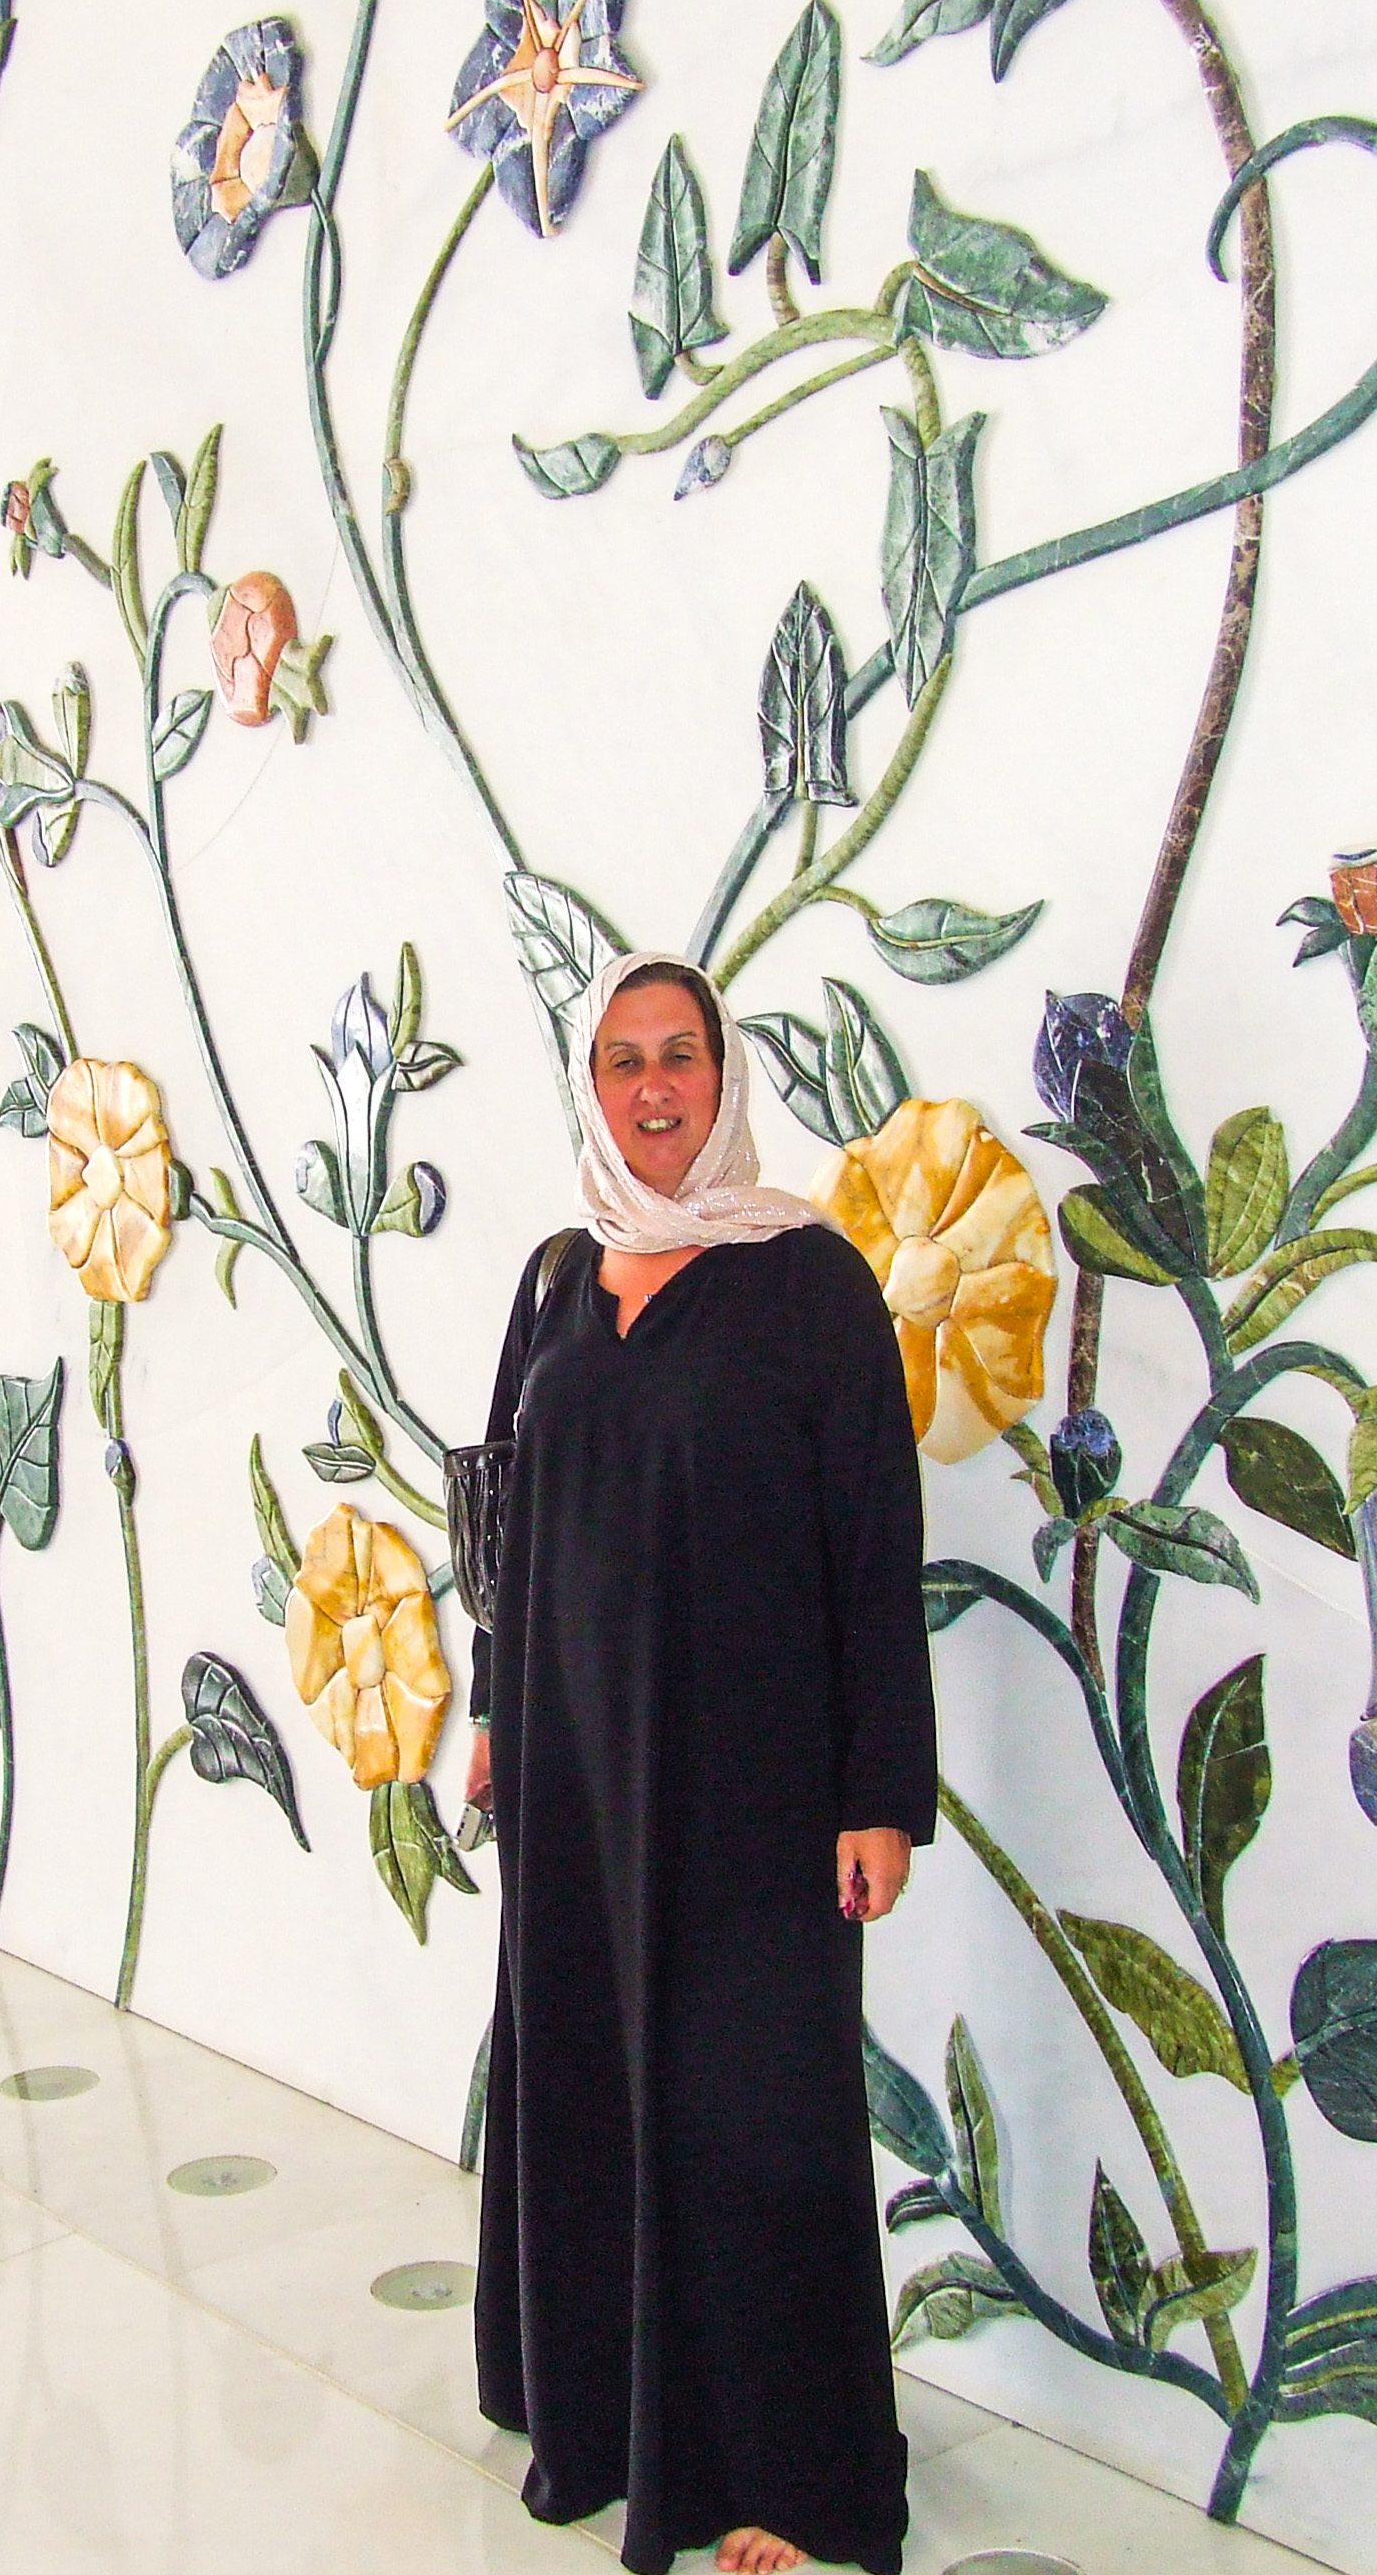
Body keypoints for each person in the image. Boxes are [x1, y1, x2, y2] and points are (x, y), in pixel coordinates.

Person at [466, 950, 939, 2575]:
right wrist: (484, 1709)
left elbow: (878, 1545)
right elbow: (503, 1518)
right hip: (572, 1767)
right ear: (590, 1088)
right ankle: (599, 2412)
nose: (653, 1087)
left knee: (753, 2105)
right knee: (592, 2070)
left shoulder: (811, 1278)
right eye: (620, 1061)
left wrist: (881, 1792)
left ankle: (778, 2468)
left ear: (724, 1077)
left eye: (678, 1056)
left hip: (752, 1781)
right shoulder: (555, 1275)